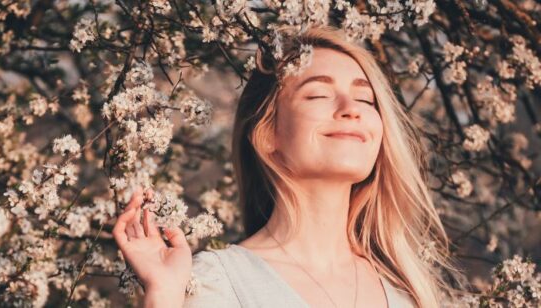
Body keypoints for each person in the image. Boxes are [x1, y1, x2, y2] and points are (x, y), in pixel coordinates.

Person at [112, 26, 464, 308]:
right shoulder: (219, 282)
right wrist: (163, 296)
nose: (350, 109)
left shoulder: (410, 292)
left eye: (365, 98)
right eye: (318, 95)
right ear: (267, 134)